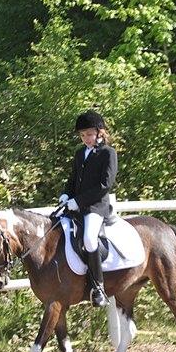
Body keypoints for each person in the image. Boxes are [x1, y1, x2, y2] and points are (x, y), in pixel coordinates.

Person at [59, 109, 118, 308]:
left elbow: (105, 185)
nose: (86, 139)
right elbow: (73, 179)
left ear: (100, 132)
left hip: (96, 207)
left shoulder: (108, 153)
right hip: (75, 205)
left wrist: (80, 201)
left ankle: (98, 286)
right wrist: (67, 194)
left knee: (89, 239)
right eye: (83, 135)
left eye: (89, 135)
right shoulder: (80, 153)